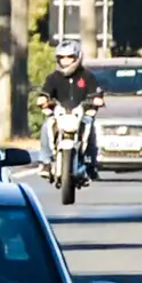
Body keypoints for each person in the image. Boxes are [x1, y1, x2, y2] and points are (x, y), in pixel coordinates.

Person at [35, 39, 102, 180]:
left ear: (77, 57)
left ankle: (90, 164)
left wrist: (96, 100)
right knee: (47, 126)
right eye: (62, 57)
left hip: (81, 113)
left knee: (90, 129)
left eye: (69, 57)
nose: (65, 60)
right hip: (59, 114)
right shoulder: (53, 77)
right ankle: (46, 162)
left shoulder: (87, 76)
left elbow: (96, 92)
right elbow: (45, 92)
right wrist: (43, 99)